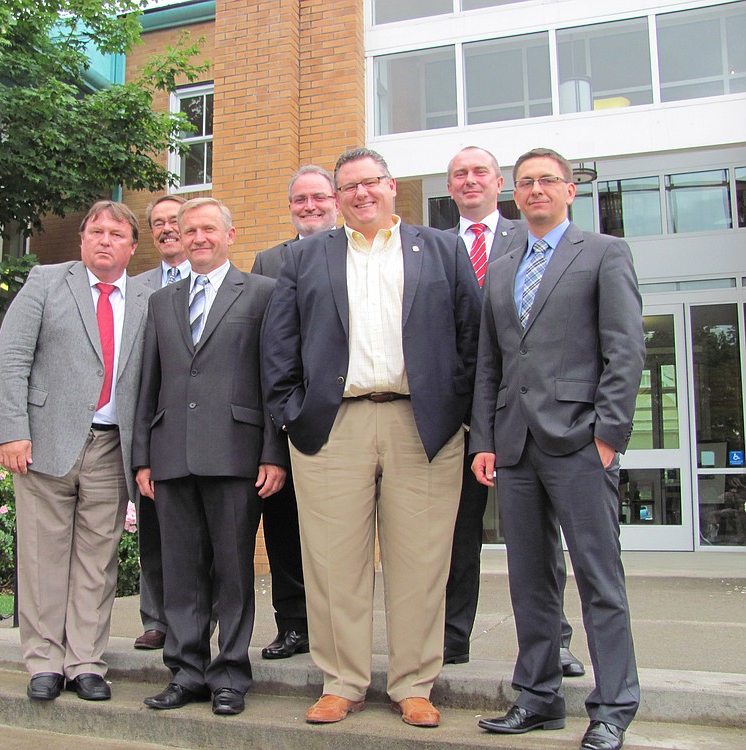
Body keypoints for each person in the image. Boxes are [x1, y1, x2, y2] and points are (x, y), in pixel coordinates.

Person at [263, 148, 480, 728]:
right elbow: (278, 348)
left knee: (422, 559)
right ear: (337, 198)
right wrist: (292, 414)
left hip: (423, 425)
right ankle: (342, 681)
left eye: (371, 184)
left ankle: (414, 683)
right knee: (333, 562)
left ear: (392, 187)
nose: (361, 195)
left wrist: (458, 412)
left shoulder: (442, 249)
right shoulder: (307, 258)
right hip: (334, 424)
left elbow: (470, 338)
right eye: (348, 187)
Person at [471, 148, 644, 750]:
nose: (536, 190)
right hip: (515, 446)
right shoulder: (502, 263)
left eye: (547, 180)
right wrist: (485, 439)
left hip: (578, 443)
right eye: (525, 183)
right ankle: (539, 697)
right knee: (530, 581)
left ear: (570, 190)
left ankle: (613, 707)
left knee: (599, 579)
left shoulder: (603, 253)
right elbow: (491, 362)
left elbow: (624, 352)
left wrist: (608, 436)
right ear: (513, 196)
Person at [133, 197, 289, 716]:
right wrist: (142, 458)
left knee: (233, 570)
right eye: (189, 230)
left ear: (229, 233)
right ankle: (186, 671)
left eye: (208, 229)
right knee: (180, 571)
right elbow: (147, 384)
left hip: (237, 453)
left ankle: (229, 675)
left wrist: (274, 453)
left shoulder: (263, 293)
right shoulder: (163, 301)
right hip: (171, 452)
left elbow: (274, 380)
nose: (198, 237)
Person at [0, 200, 149, 702]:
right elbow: (12, 356)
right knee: (42, 556)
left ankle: (85, 662)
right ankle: (43, 661)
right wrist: (12, 430)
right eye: (96, 231)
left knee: (97, 561)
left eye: (116, 233)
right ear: (82, 239)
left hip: (111, 446)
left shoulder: (149, 297)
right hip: (44, 444)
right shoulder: (45, 281)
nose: (105, 240)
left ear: (131, 246)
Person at [443, 146, 585, 678]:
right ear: (450, 186)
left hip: (526, 415)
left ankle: (556, 641)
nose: (470, 180)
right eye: (459, 174)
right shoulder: (431, 246)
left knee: (540, 540)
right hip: (453, 418)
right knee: (458, 534)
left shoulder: (533, 235)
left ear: (500, 183)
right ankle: (452, 638)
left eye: (480, 172)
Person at [249, 165, 339, 660]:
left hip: (342, 416)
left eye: (319, 197)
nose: (309, 207)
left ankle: (334, 628)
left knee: (337, 530)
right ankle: (295, 625)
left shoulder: (356, 252)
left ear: (336, 201)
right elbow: (264, 348)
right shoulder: (269, 260)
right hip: (285, 416)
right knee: (283, 527)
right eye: (300, 199)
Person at [130, 195, 190, 651]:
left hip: (206, 428)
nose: (167, 229)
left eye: (175, 221)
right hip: (153, 425)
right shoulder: (136, 289)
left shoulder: (225, 279)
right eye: (158, 223)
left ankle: (198, 616)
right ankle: (156, 618)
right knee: (153, 530)